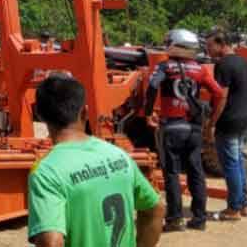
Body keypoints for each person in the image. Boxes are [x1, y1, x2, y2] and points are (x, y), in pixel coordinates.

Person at [29, 74, 165, 247]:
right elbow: (156, 209)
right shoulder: (119, 155)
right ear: (85, 111)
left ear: (40, 116)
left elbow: (51, 242)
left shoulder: (47, 171)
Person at [145, 29, 226, 232]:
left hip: (171, 126)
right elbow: (218, 92)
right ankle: (199, 219)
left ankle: (175, 219)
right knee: (196, 172)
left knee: (172, 173)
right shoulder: (200, 69)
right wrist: (211, 119)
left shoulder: (164, 66)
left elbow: (153, 86)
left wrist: (147, 112)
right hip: (194, 128)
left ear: (174, 44)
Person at [205, 29, 247, 221]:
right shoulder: (245, 63)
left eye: (210, 46)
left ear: (221, 44)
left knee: (231, 165)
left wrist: (211, 123)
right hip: (243, 122)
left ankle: (233, 209)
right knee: (238, 162)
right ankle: (243, 205)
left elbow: (222, 96)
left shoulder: (223, 65)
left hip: (228, 122)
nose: (208, 50)